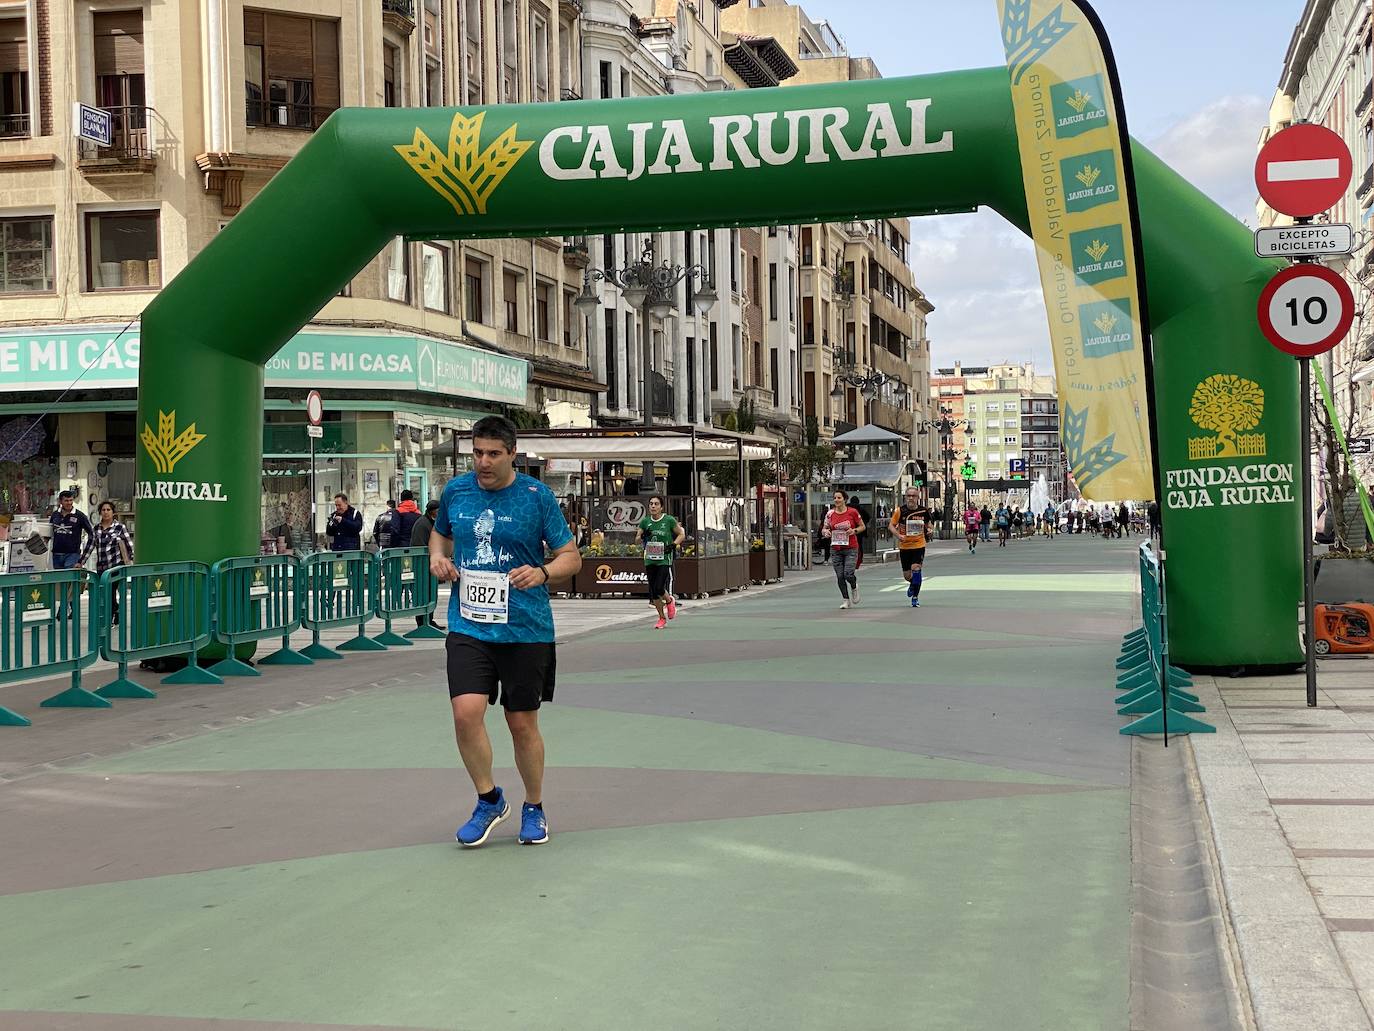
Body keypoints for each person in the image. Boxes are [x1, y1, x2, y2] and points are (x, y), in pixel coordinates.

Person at [429, 415, 582, 848]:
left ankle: (534, 805)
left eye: (493, 453)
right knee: (465, 714)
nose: (483, 461)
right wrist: (437, 559)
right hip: (469, 624)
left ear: (513, 454)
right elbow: (439, 538)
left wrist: (543, 572)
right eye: (477, 452)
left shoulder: (537, 497)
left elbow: (572, 556)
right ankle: (488, 799)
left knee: (521, 724)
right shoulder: (457, 491)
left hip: (525, 629)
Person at [636, 495, 686, 629]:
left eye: (656, 504)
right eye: (651, 504)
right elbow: (636, 540)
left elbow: (681, 534)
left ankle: (669, 601)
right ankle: (661, 618)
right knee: (654, 592)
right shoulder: (645, 522)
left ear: (661, 507)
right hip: (650, 559)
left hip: (664, 558)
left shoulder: (668, 520)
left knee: (659, 587)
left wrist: (673, 545)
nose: (653, 506)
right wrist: (643, 536)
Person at [85, 501, 133, 625]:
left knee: (110, 591)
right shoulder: (96, 528)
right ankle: (115, 611)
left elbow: (129, 544)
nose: (106, 512)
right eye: (103, 510)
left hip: (116, 565)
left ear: (113, 512)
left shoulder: (120, 527)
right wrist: (81, 561)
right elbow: (90, 546)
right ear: (100, 512)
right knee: (104, 593)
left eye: (108, 510)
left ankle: (109, 617)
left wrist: (131, 559)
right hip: (102, 566)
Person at [50, 490, 94, 620]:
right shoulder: (55, 515)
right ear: (60, 501)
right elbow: (48, 532)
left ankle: (62, 610)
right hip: (56, 554)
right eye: (66, 500)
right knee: (62, 583)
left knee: (70, 583)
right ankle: (74, 610)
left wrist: (82, 559)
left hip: (73, 555)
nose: (69, 503)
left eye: (71, 500)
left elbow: (92, 535)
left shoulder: (79, 516)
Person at [822, 490, 864, 610]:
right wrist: (826, 532)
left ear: (844, 499)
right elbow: (824, 528)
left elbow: (862, 526)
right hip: (836, 548)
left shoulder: (852, 512)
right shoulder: (830, 514)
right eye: (835, 498)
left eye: (839, 498)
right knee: (840, 576)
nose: (836, 500)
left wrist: (854, 531)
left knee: (848, 574)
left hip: (851, 547)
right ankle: (846, 600)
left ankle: (854, 586)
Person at [890, 487, 930, 608]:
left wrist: (929, 530)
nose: (911, 498)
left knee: (916, 568)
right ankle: (913, 584)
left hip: (919, 544)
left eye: (913, 496)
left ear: (918, 497)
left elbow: (929, 524)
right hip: (905, 546)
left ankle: (915, 597)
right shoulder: (900, 511)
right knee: (907, 575)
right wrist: (898, 535)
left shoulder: (924, 511)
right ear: (905, 497)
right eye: (909, 496)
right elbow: (891, 526)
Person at [410, 498, 444, 631]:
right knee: (423, 592)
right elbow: (420, 545)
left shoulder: (431, 522)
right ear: (432, 512)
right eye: (438, 511)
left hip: (429, 564)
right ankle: (423, 622)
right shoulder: (423, 524)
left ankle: (429, 620)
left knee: (430, 592)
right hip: (422, 565)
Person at [849, 495, 869, 570]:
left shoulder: (848, 508)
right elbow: (868, 517)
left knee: (849, 545)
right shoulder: (861, 508)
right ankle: (859, 560)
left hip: (850, 529)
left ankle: (850, 560)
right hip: (859, 531)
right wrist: (863, 523)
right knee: (859, 545)